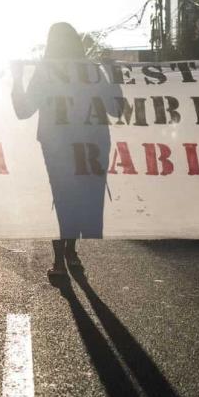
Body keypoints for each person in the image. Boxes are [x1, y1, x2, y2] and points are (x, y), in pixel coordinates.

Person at [11, 23, 121, 278]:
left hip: (63, 144)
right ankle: (66, 253)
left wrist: (16, 79)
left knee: (64, 197)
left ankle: (63, 255)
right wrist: (113, 76)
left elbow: (23, 110)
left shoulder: (49, 71)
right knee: (80, 197)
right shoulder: (90, 71)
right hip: (86, 143)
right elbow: (116, 108)